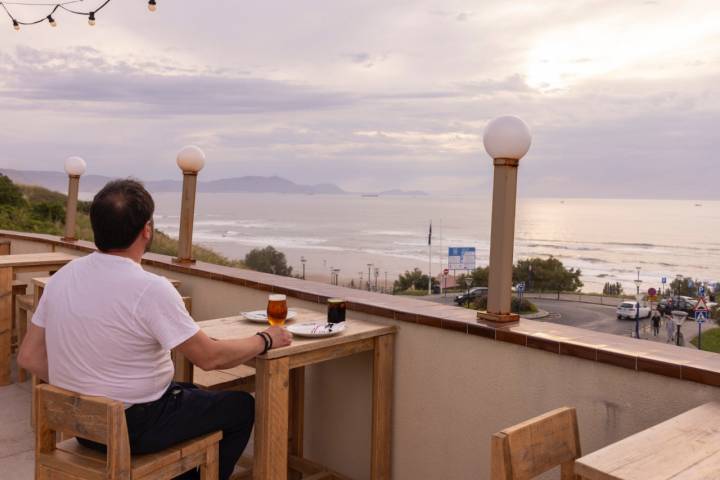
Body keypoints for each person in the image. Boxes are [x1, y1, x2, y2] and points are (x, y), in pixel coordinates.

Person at [18, 179, 292, 480]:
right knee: (240, 407)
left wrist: (85, 392)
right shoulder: (150, 289)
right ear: (147, 230)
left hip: (83, 427)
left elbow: (29, 357)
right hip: (136, 427)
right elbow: (209, 358)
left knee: (191, 392)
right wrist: (265, 339)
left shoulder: (62, 278)